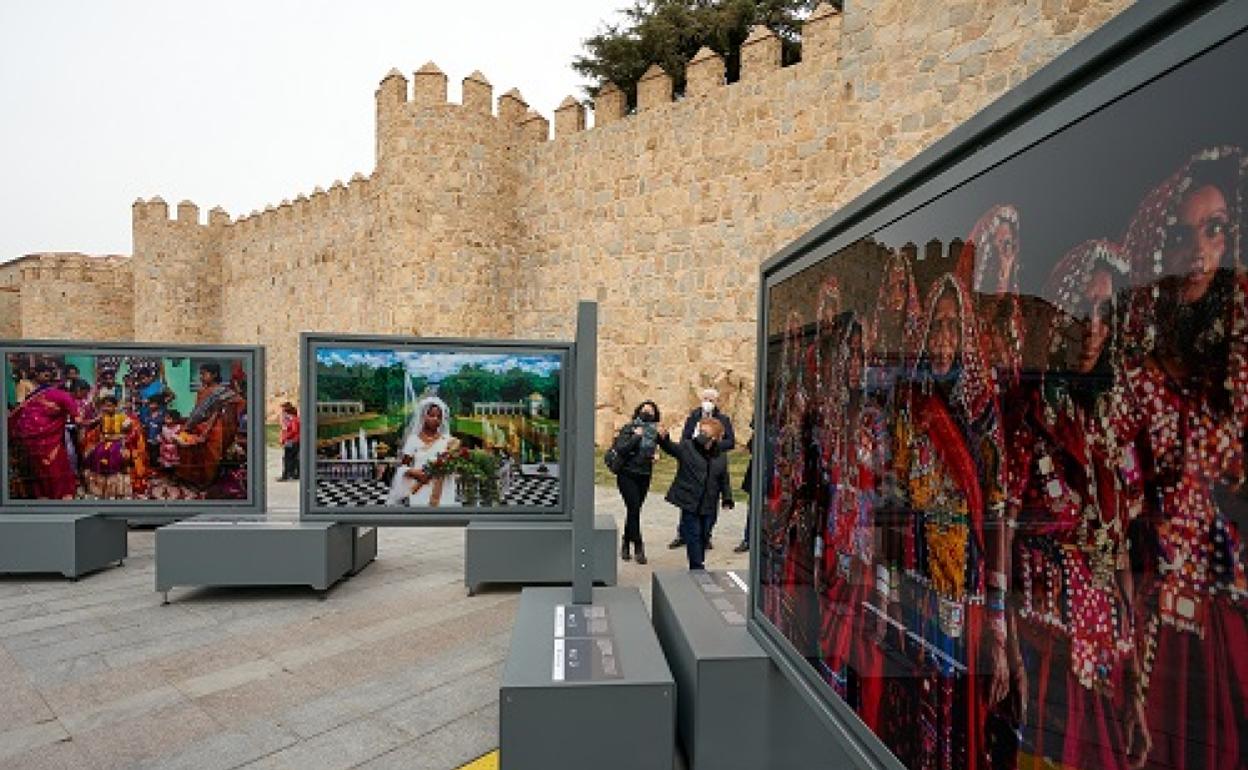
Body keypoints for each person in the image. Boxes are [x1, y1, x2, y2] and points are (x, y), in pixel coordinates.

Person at [1117, 147, 1248, 770]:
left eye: (1215, 229)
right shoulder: (1138, 382)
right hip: (1159, 629)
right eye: (1181, 236)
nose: (1200, 251)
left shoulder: (1234, 373)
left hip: (1227, 619)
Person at [1005, 240, 1142, 769]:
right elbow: (1005, 530)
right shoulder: (1031, 416)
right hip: (1044, 645)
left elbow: (1120, 546)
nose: (1092, 328)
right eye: (1082, 312)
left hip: (1102, 646)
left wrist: (1132, 675)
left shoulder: (1114, 424)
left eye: (1104, 315)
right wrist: (1011, 645)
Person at [887, 274, 1012, 770]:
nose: (941, 341)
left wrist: (1000, 622)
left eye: (951, 327)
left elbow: (998, 517)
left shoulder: (983, 415)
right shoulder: (911, 410)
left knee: (962, 714)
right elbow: (893, 501)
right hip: (917, 581)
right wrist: (888, 587)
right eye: (934, 327)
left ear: (966, 336)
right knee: (916, 706)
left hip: (966, 588)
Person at [658, 417, 734, 570]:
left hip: (709, 502)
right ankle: (696, 566)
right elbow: (671, 448)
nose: (700, 434)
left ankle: (699, 561)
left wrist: (727, 497)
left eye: (705, 432)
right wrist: (663, 438)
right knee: (693, 534)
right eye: (700, 431)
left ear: (715, 437)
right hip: (690, 500)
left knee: (704, 534)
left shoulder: (720, 456)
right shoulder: (688, 447)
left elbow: (724, 478)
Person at [668, 387, 736, 549]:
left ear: (716, 402)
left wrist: (713, 444)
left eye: (711, 400)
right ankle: (683, 534)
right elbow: (684, 437)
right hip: (692, 461)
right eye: (705, 399)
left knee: (708, 501)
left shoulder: (723, 419)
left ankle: (706, 535)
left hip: (712, 460)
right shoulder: (693, 416)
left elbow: (730, 442)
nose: (707, 403)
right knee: (688, 501)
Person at [6, 361, 79, 499]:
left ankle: (56, 494)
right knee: (39, 469)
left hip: (51, 433)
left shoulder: (57, 392)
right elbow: (21, 406)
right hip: (32, 434)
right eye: (44, 372)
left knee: (57, 463)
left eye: (49, 373)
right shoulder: (25, 385)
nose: (48, 375)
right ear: (36, 374)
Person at [175, 362, 245, 489]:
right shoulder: (201, 392)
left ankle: (207, 482)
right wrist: (189, 426)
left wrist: (223, 415)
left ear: (214, 375)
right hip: (199, 425)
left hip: (215, 428)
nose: (201, 377)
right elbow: (197, 411)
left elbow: (240, 403)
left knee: (210, 457)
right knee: (193, 451)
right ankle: (194, 479)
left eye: (204, 374)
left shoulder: (223, 391)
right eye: (200, 374)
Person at [385, 396, 461, 507]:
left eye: (439, 416)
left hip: (443, 491)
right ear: (423, 416)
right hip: (420, 489)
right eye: (431, 415)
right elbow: (403, 467)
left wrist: (451, 466)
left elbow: (454, 466)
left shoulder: (448, 441)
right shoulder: (413, 440)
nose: (435, 419)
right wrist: (415, 473)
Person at [611, 400, 662, 564]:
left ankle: (626, 541)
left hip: (644, 475)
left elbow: (660, 448)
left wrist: (656, 456)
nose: (647, 413)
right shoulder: (629, 428)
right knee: (634, 508)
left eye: (651, 411)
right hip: (627, 474)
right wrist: (636, 437)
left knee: (634, 511)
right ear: (638, 411)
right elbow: (621, 448)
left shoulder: (655, 432)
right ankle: (638, 546)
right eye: (644, 410)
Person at [278, 401, 301, 481]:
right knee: (293, 458)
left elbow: (294, 431)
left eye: (283, 410)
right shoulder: (292, 419)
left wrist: (285, 438)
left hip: (292, 441)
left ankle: (286, 475)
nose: (282, 412)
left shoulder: (293, 419)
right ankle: (294, 474)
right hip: (293, 441)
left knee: (287, 458)